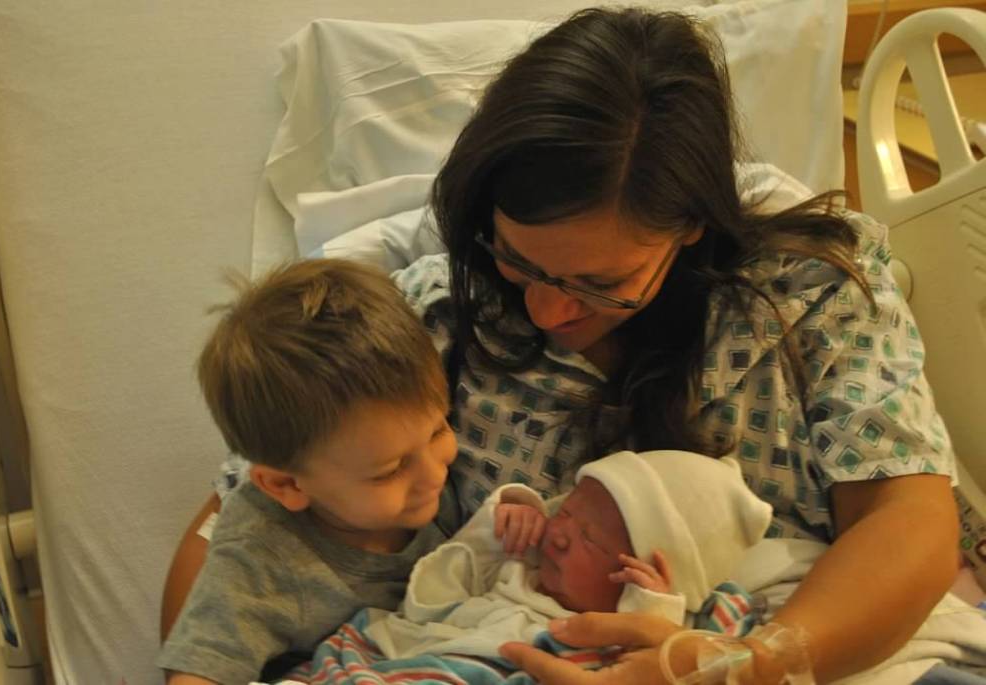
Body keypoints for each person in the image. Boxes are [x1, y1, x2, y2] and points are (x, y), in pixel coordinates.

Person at [163, 7, 970, 682]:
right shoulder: (429, 323)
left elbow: (907, 519)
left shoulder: (813, 295)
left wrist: (739, 665)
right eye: (520, 260)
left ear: (689, 227)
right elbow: (237, 527)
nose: (546, 309)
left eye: (599, 282)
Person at [158, 259, 460, 685]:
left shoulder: (420, 479)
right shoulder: (261, 556)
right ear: (286, 484)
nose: (434, 475)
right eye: (390, 471)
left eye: (439, 430)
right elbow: (198, 671)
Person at [359, 450, 772, 663]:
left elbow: (648, 659)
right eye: (566, 512)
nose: (557, 535)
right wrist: (499, 529)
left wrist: (654, 611)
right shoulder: (516, 571)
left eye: (589, 539)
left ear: (641, 578)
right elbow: (426, 604)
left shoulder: (611, 640)